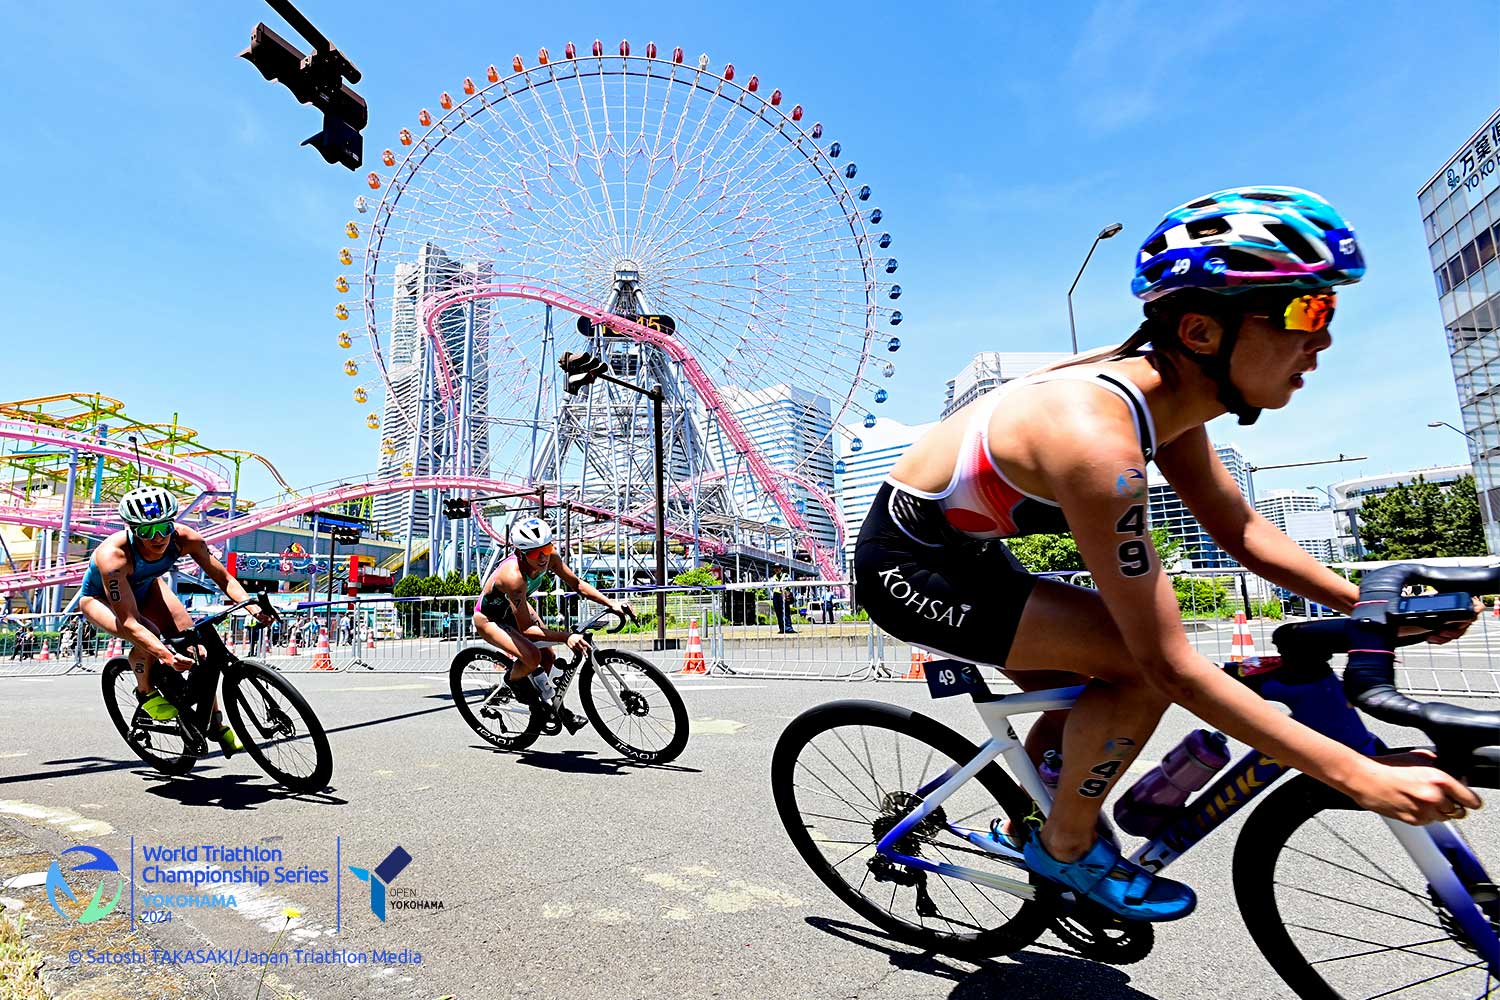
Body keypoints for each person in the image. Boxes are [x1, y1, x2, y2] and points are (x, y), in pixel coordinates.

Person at [854, 186, 1482, 922]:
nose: (1325, 340)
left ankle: (1046, 803)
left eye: (1328, 312)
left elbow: (1241, 531)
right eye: (1305, 313)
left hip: (972, 553)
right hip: (911, 568)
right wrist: (1354, 773)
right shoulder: (1097, 443)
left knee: (1103, 687)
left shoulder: (1174, 400)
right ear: (1201, 330)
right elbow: (1167, 664)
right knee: (1135, 665)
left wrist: (1367, 603)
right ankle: (1064, 846)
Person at [78, 485, 274, 755]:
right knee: (148, 632)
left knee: (197, 648)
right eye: (147, 530)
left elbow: (224, 578)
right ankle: (145, 692)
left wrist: (251, 607)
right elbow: (130, 622)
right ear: (132, 529)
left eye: (164, 527)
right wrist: (165, 655)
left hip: (148, 587)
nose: (158, 537)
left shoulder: (185, 538)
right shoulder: (113, 557)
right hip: (100, 600)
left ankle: (215, 724)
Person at [472, 516, 633, 732]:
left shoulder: (551, 557)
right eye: (534, 553)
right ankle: (513, 683)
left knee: (549, 657)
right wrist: (567, 636)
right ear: (520, 553)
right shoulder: (513, 577)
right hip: (490, 619)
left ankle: (550, 705)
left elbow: (577, 584)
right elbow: (527, 630)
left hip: (514, 608)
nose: (542, 558)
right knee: (532, 656)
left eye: (546, 549)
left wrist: (610, 603)